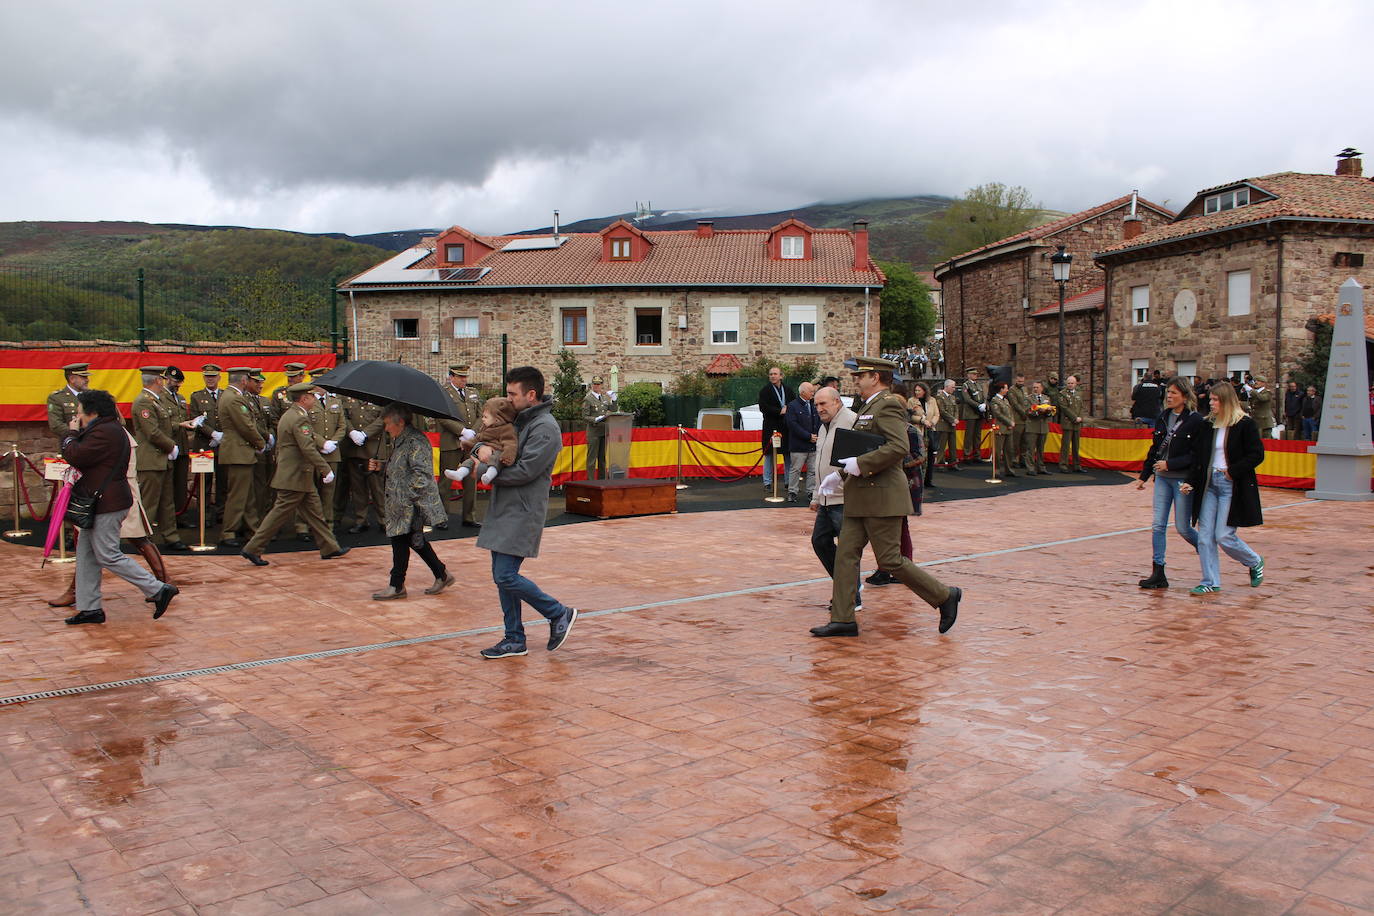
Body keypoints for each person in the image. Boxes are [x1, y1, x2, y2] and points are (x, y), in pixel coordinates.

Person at [810, 355, 962, 638]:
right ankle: (843, 619)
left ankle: (945, 596)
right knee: (845, 556)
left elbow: (898, 447)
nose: (856, 380)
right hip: (860, 497)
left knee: (891, 560)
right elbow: (863, 447)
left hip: (882, 497)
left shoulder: (889, 404)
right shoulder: (867, 406)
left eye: (860, 376)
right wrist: (840, 474)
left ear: (875, 378)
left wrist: (861, 465)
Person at [475, 366, 579, 659]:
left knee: (506, 575)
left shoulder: (545, 427)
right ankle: (514, 638)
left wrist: (483, 470)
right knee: (501, 576)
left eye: (512, 394)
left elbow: (525, 471)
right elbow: (495, 445)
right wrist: (479, 451)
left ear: (531, 394)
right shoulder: (519, 420)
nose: (507, 400)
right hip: (506, 507)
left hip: (521, 510)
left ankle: (558, 613)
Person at [58, 389, 178, 625]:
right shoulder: (102, 429)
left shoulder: (106, 432)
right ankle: (90, 608)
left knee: (107, 554)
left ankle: (158, 589)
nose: (77, 414)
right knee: (86, 555)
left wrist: (70, 432)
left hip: (107, 502)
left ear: (92, 411)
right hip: (99, 500)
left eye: (80, 409)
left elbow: (75, 454)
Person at [240, 384, 350, 566]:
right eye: (311, 396)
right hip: (295, 476)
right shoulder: (299, 418)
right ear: (304, 399)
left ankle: (330, 547)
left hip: (300, 475)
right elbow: (307, 447)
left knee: (315, 513)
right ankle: (253, 548)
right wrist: (325, 468)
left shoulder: (293, 415)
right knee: (278, 514)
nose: (314, 399)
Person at [1180, 381, 1265, 595]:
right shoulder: (1208, 425)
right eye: (1210, 399)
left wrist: (1233, 471)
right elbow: (1199, 457)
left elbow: (1256, 454)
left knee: (1224, 535)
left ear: (1226, 401)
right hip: (1209, 485)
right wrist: (1191, 480)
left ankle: (1254, 561)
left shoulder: (1244, 424)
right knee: (1205, 535)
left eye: (1215, 400)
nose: (1211, 403)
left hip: (1230, 485)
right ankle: (1210, 580)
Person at [371, 404, 452, 600]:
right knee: (415, 542)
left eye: (388, 423)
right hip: (401, 504)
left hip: (411, 504)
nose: (386, 428)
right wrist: (381, 466)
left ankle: (397, 585)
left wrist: (406, 497)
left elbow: (421, 475)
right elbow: (400, 468)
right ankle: (441, 574)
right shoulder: (401, 440)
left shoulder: (415, 441)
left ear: (399, 422)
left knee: (401, 540)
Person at [1135, 377, 1204, 589]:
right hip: (1163, 480)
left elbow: (1197, 455)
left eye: (1174, 393)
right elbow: (1155, 448)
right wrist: (1144, 475)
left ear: (1184, 395)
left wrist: (1171, 464)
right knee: (1158, 525)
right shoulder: (1163, 417)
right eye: (1168, 393)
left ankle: (1206, 548)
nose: (1169, 397)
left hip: (1182, 480)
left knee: (1183, 528)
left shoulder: (1195, 420)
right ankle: (1158, 571)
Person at [808, 386, 860, 614]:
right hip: (827, 499)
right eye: (816, 404)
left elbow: (860, 457)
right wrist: (816, 496)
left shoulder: (851, 421)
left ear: (837, 402)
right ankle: (850, 586)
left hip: (846, 498)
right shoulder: (823, 425)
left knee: (847, 551)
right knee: (820, 542)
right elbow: (820, 463)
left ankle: (851, 596)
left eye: (823, 404)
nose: (819, 408)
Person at [131, 367, 189, 552]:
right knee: (149, 502)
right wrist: (172, 446)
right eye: (162, 380)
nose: (164, 383)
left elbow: (164, 426)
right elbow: (152, 432)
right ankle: (141, 540)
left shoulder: (156, 401)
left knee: (167, 501)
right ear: (157, 380)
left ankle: (170, 536)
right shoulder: (143, 402)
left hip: (162, 458)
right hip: (151, 459)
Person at [216, 368, 265, 547]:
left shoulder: (230, 396)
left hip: (241, 451)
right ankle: (228, 532)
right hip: (238, 452)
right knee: (238, 495)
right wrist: (261, 443)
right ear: (244, 380)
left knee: (248, 494)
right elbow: (246, 426)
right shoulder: (234, 398)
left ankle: (253, 530)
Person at [438, 364, 482, 525]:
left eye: (465, 377)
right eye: (460, 377)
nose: (464, 380)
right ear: (451, 377)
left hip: (470, 443)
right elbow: (441, 417)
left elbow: (480, 415)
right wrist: (462, 431)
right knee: (445, 481)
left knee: (471, 480)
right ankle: (441, 518)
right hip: (451, 441)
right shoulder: (444, 393)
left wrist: (472, 433)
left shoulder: (473, 393)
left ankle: (469, 517)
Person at [344, 396, 390, 532]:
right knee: (358, 487)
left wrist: (365, 433)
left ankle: (384, 519)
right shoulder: (347, 398)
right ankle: (361, 520)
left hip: (373, 449)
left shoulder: (380, 398)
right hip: (354, 448)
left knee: (377, 487)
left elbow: (383, 419)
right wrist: (351, 432)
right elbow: (344, 417)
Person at [447, 397, 518, 486]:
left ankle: (489, 475)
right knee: (469, 461)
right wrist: (467, 443)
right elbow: (478, 438)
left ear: (497, 419)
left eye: (485, 417)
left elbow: (510, 443)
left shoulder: (506, 429)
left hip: (497, 452)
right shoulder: (486, 428)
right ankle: (460, 473)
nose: (483, 419)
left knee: (495, 459)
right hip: (482, 454)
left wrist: (507, 456)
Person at [307, 368, 346, 529]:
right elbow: (306, 427)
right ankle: (309, 524)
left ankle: (327, 524)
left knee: (329, 492)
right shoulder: (308, 401)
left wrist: (333, 443)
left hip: (332, 453)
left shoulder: (335, 401)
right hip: (314, 452)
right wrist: (322, 443)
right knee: (311, 490)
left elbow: (342, 426)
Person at [189, 364, 227, 518]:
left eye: (213, 376)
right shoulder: (196, 396)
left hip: (223, 445)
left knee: (223, 482)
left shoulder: (226, 395)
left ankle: (221, 513)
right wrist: (213, 434)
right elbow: (196, 420)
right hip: (203, 445)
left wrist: (222, 436)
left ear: (219, 377)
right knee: (204, 482)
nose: (210, 379)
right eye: (207, 376)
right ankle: (203, 515)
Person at [758, 366, 795, 491]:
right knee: (769, 455)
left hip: (785, 428)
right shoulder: (765, 391)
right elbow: (763, 407)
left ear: (781, 376)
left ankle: (788, 481)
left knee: (787, 455)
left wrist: (787, 410)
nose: (773, 376)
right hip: (771, 427)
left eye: (775, 374)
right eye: (770, 374)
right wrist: (780, 411)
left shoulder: (788, 390)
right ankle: (767, 482)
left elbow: (793, 405)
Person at [784, 382, 819, 503]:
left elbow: (818, 421)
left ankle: (811, 492)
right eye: (811, 391)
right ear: (802, 392)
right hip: (799, 445)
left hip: (813, 444)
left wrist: (816, 436)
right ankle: (792, 492)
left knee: (813, 470)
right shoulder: (793, 406)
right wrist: (807, 436)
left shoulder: (814, 405)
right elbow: (792, 425)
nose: (813, 393)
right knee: (795, 469)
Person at [582, 375, 616, 480]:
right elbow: (584, 416)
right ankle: (591, 481)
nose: (597, 386)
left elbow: (613, 409)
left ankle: (602, 480)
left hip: (603, 431)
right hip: (593, 432)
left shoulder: (605, 398)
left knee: (602, 459)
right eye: (595, 384)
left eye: (599, 384)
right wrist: (595, 419)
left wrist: (614, 399)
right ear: (592, 385)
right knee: (592, 459)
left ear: (602, 385)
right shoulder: (588, 399)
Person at [47, 362, 90, 439]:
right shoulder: (57, 398)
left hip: (94, 442)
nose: (87, 380)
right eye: (83, 377)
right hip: (72, 443)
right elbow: (56, 426)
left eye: (86, 377)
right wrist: (78, 432)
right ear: (72, 379)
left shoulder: (93, 395)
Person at [909, 381, 938, 488]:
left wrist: (932, 422)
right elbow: (909, 416)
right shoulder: (911, 401)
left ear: (925, 391)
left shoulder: (932, 400)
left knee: (931, 455)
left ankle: (928, 480)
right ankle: (919, 479)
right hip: (918, 431)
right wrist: (921, 420)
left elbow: (936, 414)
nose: (917, 392)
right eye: (916, 390)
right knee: (920, 455)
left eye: (919, 390)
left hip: (930, 430)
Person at [988, 380, 1018, 477]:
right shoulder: (994, 400)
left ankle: (1009, 469)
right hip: (1000, 428)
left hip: (1008, 428)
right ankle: (996, 470)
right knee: (998, 450)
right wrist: (1009, 422)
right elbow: (998, 414)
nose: (1007, 390)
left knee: (1009, 450)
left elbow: (1010, 413)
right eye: (1006, 388)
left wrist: (1012, 422)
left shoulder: (1005, 400)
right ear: (1001, 389)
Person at [958, 367, 988, 463]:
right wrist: (978, 405)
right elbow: (967, 399)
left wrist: (984, 404)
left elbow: (983, 396)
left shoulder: (978, 385)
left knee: (977, 435)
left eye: (976, 374)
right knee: (969, 435)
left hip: (979, 413)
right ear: (969, 375)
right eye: (974, 374)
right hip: (970, 413)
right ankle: (967, 455)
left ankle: (977, 455)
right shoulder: (966, 385)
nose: (976, 375)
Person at [1057, 374, 1086, 472]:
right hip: (1068, 423)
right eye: (1068, 383)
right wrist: (1075, 418)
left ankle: (1077, 465)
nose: (1070, 385)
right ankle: (1063, 465)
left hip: (1077, 423)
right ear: (1066, 383)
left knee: (1076, 445)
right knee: (1065, 445)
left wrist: (1081, 417)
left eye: (1072, 383)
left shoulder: (1079, 393)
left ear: (1076, 384)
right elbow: (1064, 408)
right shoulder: (1062, 394)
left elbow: (1081, 407)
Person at [1022, 381, 1051, 474]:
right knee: (1030, 448)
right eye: (1034, 387)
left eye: (1037, 387)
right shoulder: (1028, 399)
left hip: (1043, 427)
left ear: (1041, 388)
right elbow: (1027, 411)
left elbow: (1050, 412)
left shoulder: (1046, 398)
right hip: (1032, 427)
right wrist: (1039, 411)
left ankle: (1041, 467)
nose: (1035, 389)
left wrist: (1048, 411)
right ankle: (1030, 468)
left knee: (1041, 449)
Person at [933, 379, 959, 470]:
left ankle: (953, 463)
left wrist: (955, 419)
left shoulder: (952, 397)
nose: (954, 389)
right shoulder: (939, 397)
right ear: (946, 386)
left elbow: (956, 409)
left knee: (953, 445)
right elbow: (942, 411)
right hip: (943, 425)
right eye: (952, 387)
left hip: (952, 424)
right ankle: (940, 463)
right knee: (942, 445)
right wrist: (952, 419)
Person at [1007, 374, 1030, 469]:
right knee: (1016, 441)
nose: (1021, 383)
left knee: (1024, 441)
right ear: (1015, 380)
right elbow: (1015, 404)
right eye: (1019, 381)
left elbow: (1027, 402)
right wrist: (1024, 414)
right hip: (1017, 419)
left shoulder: (1025, 389)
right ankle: (1014, 459)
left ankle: (1023, 459)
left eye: (1022, 381)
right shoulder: (1012, 390)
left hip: (1025, 419)